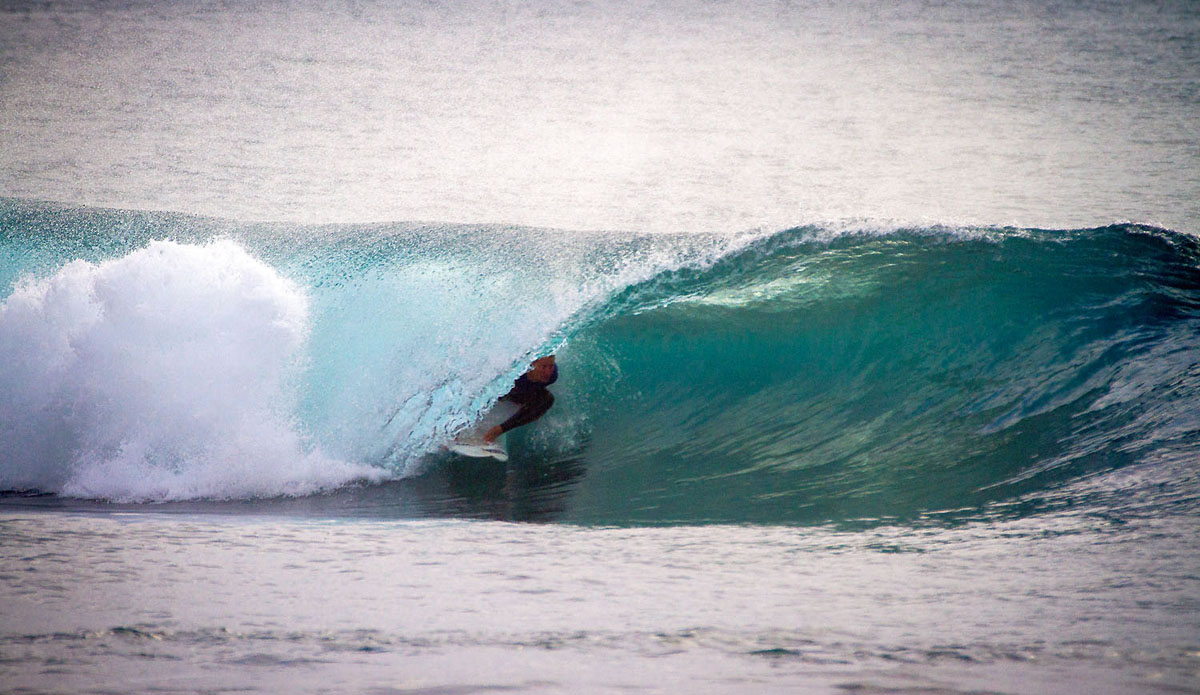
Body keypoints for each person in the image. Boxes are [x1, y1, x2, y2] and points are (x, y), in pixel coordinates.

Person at [483, 355, 557, 443]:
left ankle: (500, 429)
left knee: (547, 399)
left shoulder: (552, 376)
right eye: (543, 367)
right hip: (500, 392)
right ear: (532, 365)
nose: (548, 372)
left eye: (551, 366)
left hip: (518, 394)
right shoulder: (515, 373)